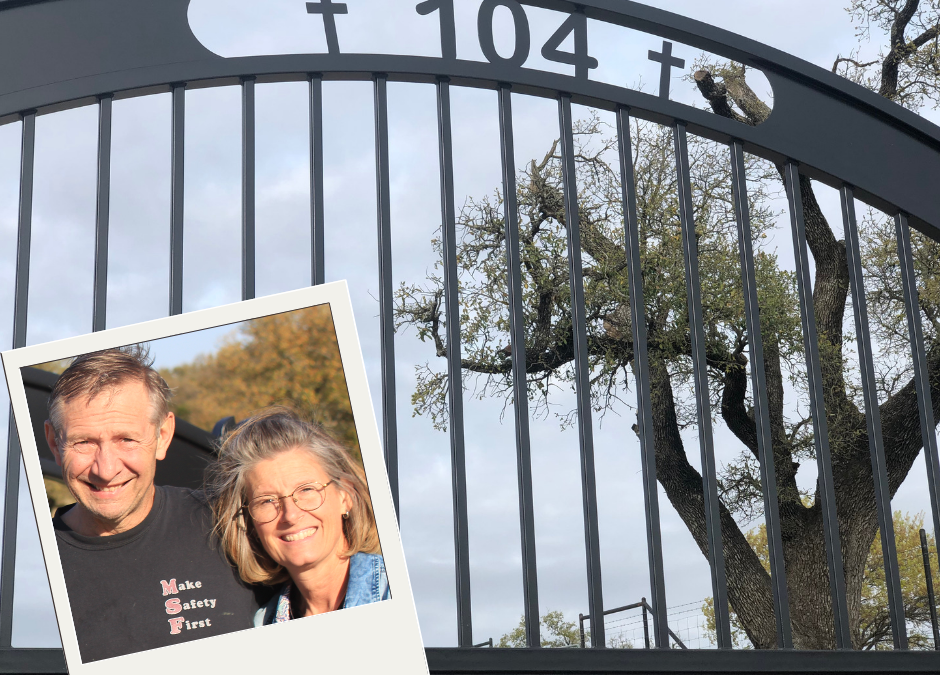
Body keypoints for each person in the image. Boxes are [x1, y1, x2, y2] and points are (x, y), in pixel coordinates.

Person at [44, 346, 266, 663]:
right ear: (54, 443)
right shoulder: (31, 570)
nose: (106, 469)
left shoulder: (230, 524)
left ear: (162, 435)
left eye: (126, 439)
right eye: (84, 442)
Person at [207, 407, 388, 626]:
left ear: (345, 496)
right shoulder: (261, 623)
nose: (290, 515)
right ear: (250, 523)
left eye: (306, 490)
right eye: (267, 501)